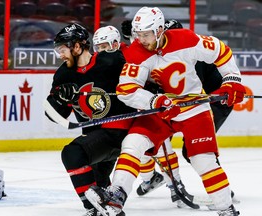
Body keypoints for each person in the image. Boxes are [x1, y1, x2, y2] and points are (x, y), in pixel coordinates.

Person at [85, 6, 245, 216]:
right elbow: (126, 90)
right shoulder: (136, 52)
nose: (141, 39)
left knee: (202, 160)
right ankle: (116, 197)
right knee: (132, 144)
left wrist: (232, 79)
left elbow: (220, 51)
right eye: (138, 34)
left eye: (146, 34)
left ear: (160, 30)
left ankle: (226, 209)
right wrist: (154, 101)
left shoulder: (186, 39)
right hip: (160, 110)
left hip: (194, 108)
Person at [121, 19, 235, 204]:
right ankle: (173, 185)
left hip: (215, 101)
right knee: (146, 142)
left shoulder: (189, 52)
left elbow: (193, 85)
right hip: (173, 106)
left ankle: (223, 194)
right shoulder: (149, 53)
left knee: (199, 153)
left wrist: (231, 81)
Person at [92, 25, 189, 206]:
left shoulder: (129, 55)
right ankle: (150, 178)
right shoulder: (99, 62)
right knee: (136, 150)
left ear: (114, 43)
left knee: (161, 147)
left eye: (105, 46)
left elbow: (149, 78)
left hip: (143, 108)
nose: (101, 51)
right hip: (123, 112)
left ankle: (176, 186)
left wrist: (151, 92)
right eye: (98, 48)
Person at [45, 23, 135, 216]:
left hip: (119, 131)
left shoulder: (112, 61)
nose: (60, 54)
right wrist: (61, 99)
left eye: (62, 49)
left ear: (77, 47)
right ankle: (107, 208)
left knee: (72, 154)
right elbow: (51, 114)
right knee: (97, 180)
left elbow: (142, 80)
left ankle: (94, 209)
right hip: (95, 137)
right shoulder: (63, 74)